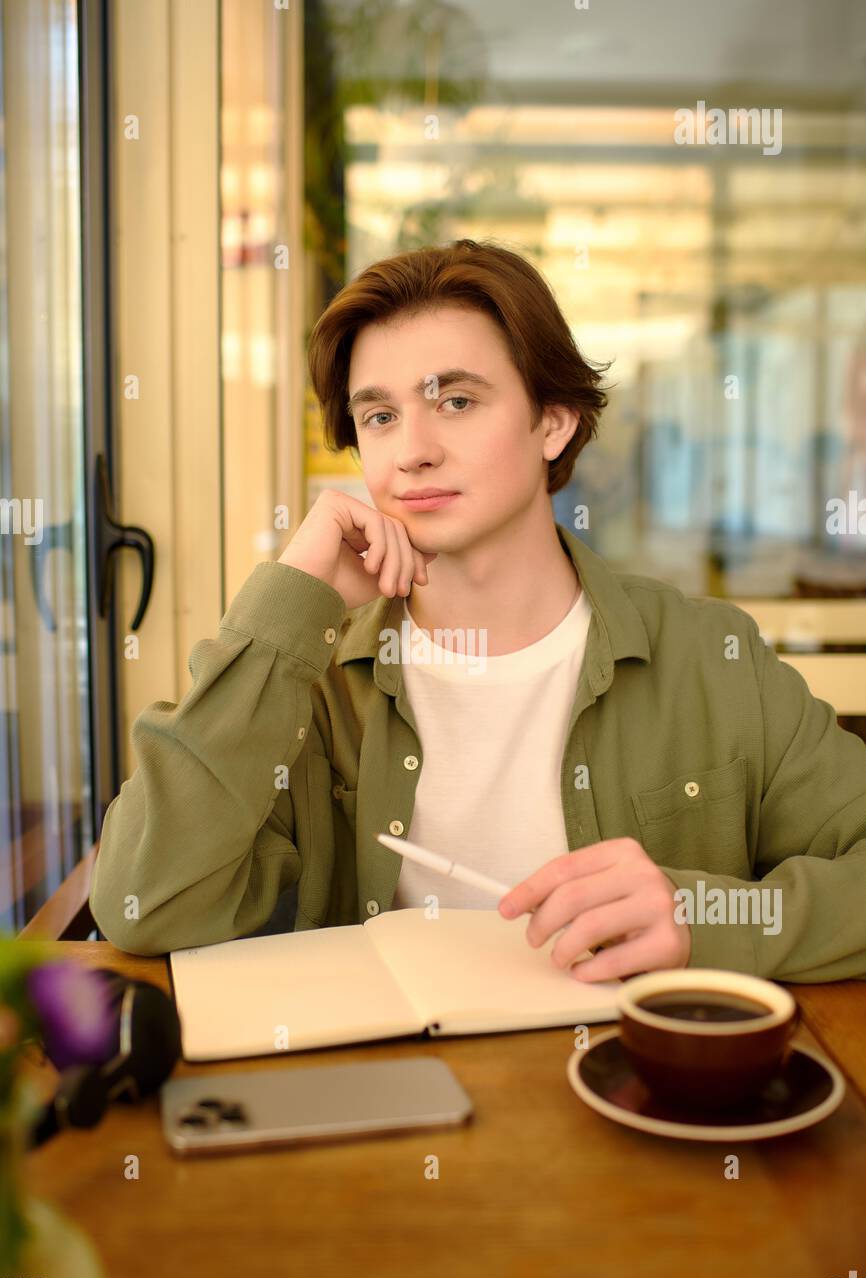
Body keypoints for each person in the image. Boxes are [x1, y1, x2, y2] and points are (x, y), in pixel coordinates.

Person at [90, 238, 866, 982]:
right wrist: (293, 596)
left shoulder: (709, 655)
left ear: (553, 422)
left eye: (455, 401)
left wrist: (702, 919)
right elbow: (140, 901)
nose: (411, 451)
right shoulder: (310, 679)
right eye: (380, 417)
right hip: (394, 1105)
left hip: (635, 1092)